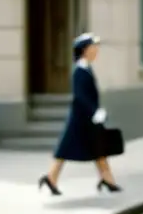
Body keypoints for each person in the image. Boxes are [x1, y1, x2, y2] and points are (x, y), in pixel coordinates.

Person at [39, 33, 121, 195]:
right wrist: (95, 111)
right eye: (93, 47)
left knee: (99, 148)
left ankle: (108, 179)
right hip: (80, 119)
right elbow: (81, 96)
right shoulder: (80, 70)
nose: (96, 50)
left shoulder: (86, 68)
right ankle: (51, 178)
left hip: (87, 118)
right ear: (85, 50)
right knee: (64, 150)